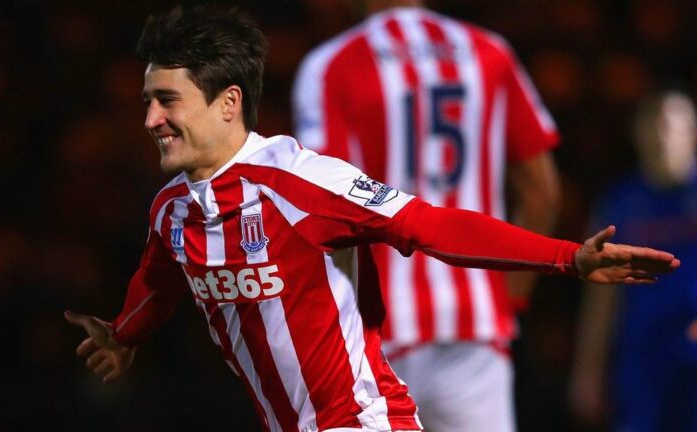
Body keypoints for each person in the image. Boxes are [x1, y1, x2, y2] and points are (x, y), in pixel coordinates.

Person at [64, 6, 679, 432]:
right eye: (147, 102)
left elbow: (430, 225)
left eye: (166, 101)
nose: (150, 120)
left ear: (229, 103)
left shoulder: (299, 182)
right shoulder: (172, 210)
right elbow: (159, 281)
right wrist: (124, 336)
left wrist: (567, 257)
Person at [292, 1, 560, 430]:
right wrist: (505, 299)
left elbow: (319, 206)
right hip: (474, 323)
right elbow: (542, 194)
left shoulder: (331, 65)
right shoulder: (489, 52)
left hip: (372, 331)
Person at [570, 88, 697, 432]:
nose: (662, 136)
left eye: (672, 126)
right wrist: (588, 370)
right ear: (637, 135)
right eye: (652, 126)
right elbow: (601, 295)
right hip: (641, 357)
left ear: (692, 133)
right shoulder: (619, 203)